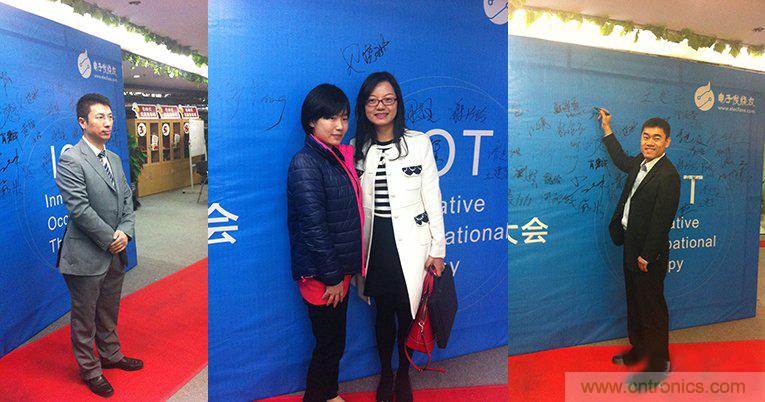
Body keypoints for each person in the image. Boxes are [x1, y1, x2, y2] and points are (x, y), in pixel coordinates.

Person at [353, 72, 446, 402]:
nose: (381, 106)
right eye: (373, 100)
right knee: (382, 314)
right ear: (364, 106)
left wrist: (438, 248)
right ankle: (386, 373)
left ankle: (404, 373)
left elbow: (432, 196)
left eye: (388, 99)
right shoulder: (357, 148)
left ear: (398, 103)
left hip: (412, 245)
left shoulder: (418, 143)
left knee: (408, 313)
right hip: (375, 244)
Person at [55, 93, 141, 398]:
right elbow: (79, 209)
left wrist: (125, 233)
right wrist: (110, 239)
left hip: (116, 251)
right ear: (83, 122)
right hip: (86, 255)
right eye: (100, 117)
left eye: (110, 116)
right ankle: (90, 370)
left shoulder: (114, 158)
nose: (108, 123)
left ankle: (111, 354)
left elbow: (127, 200)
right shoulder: (71, 159)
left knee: (108, 310)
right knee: (84, 318)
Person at [287, 84, 363, 402]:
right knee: (329, 344)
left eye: (343, 117)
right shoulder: (306, 163)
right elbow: (313, 228)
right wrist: (332, 278)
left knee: (335, 341)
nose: (339, 125)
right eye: (330, 118)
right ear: (311, 121)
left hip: (337, 272)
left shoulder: (334, 158)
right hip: (322, 276)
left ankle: (329, 394)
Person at [598, 109, 680, 385]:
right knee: (634, 302)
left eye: (656, 138)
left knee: (652, 308)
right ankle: (639, 350)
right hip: (630, 245)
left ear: (667, 142)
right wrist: (607, 128)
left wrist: (647, 255)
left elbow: (662, 221)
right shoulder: (639, 163)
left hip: (648, 254)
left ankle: (659, 363)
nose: (650, 142)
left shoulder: (668, 175)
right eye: (646, 136)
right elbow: (620, 159)